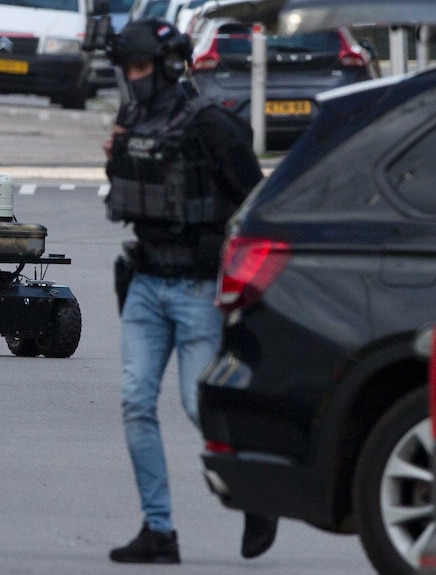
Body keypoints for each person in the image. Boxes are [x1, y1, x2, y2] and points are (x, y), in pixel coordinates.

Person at [101, 18, 278, 564]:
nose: (132, 79)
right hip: (146, 283)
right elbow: (127, 192)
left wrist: (223, 252)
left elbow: (254, 200)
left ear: (169, 66)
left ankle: (257, 497)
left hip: (198, 288)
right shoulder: (131, 118)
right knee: (135, 403)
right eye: (126, 68)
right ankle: (159, 531)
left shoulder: (209, 125)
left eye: (140, 67)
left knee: (201, 405)